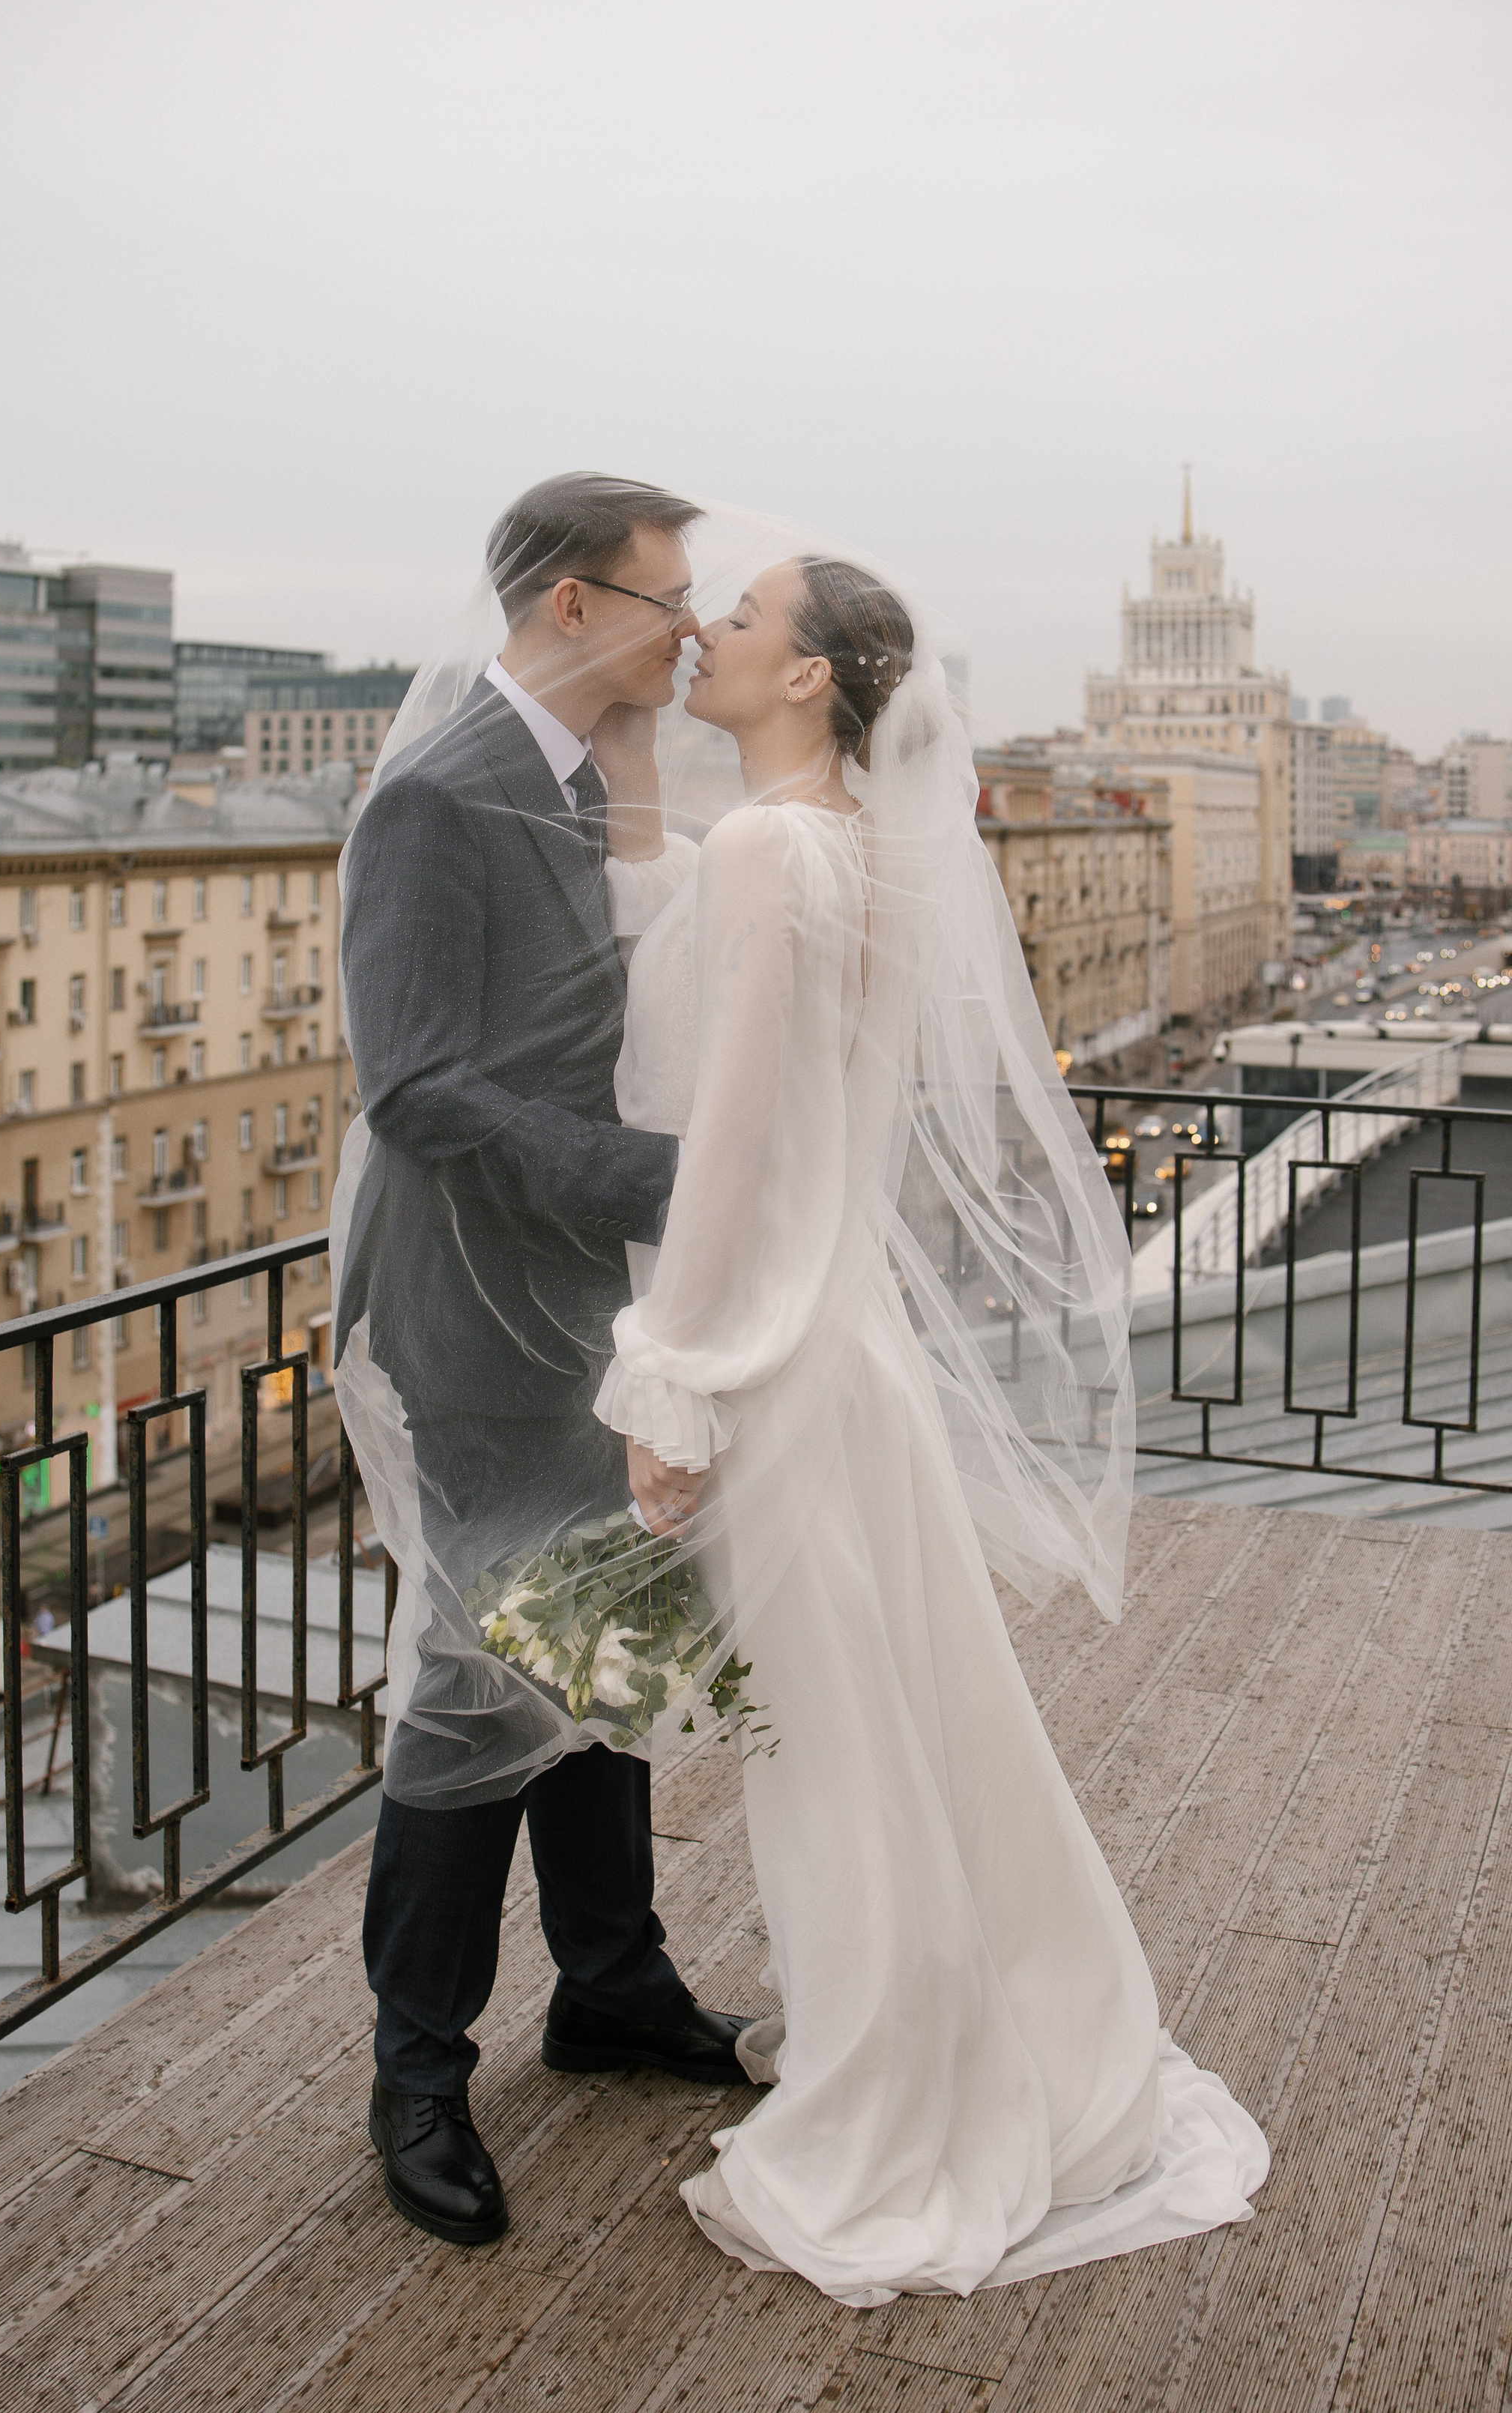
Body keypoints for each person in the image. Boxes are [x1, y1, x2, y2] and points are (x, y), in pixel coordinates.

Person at [591, 548, 1269, 2305]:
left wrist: (670, 1375)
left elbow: (731, 1140)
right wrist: (628, 763)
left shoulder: (771, 851)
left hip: (776, 1357)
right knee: (905, 1719)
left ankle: (889, 2108)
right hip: (848, 1344)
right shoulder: (853, 848)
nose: (703, 633)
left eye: (734, 620)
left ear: (810, 678)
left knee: (834, 1756)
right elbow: (714, 980)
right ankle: (979, 2046)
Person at [333, 473, 753, 2251]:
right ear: (571, 606)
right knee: (473, 1673)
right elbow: (415, 1088)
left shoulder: (586, 777)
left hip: (593, 1302)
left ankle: (607, 1989)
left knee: (607, 1632)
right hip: (475, 1316)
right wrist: (665, 1177)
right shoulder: (438, 797)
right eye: (668, 601)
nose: (691, 627)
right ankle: (416, 2070)